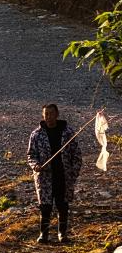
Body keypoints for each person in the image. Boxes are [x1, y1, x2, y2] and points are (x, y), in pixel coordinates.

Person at [26, 104, 83, 243]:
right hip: (44, 177)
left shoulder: (68, 133)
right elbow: (31, 155)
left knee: (62, 205)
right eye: (46, 114)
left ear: (57, 114)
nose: (49, 117)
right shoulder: (36, 134)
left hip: (63, 175)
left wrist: (73, 173)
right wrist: (35, 165)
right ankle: (43, 234)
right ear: (43, 116)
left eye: (51, 113)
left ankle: (62, 234)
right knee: (45, 206)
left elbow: (76, 154)